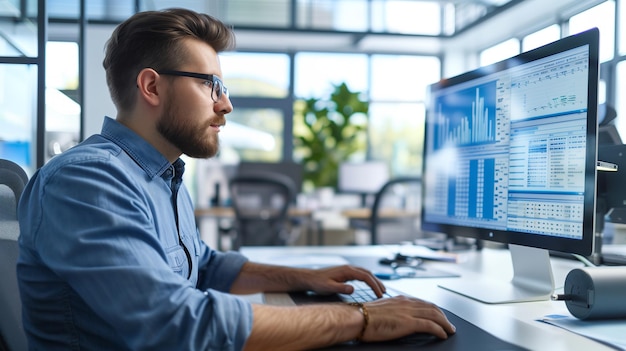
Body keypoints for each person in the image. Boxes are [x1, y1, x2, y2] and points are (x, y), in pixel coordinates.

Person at [16, 8, 456, 351]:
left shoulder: (160, 174)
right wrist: (363, 319)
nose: (225, 105)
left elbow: (203, 266)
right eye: (211, 84)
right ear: (151, 87)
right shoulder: (88, 181)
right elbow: (176, 325)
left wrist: (305, 277)